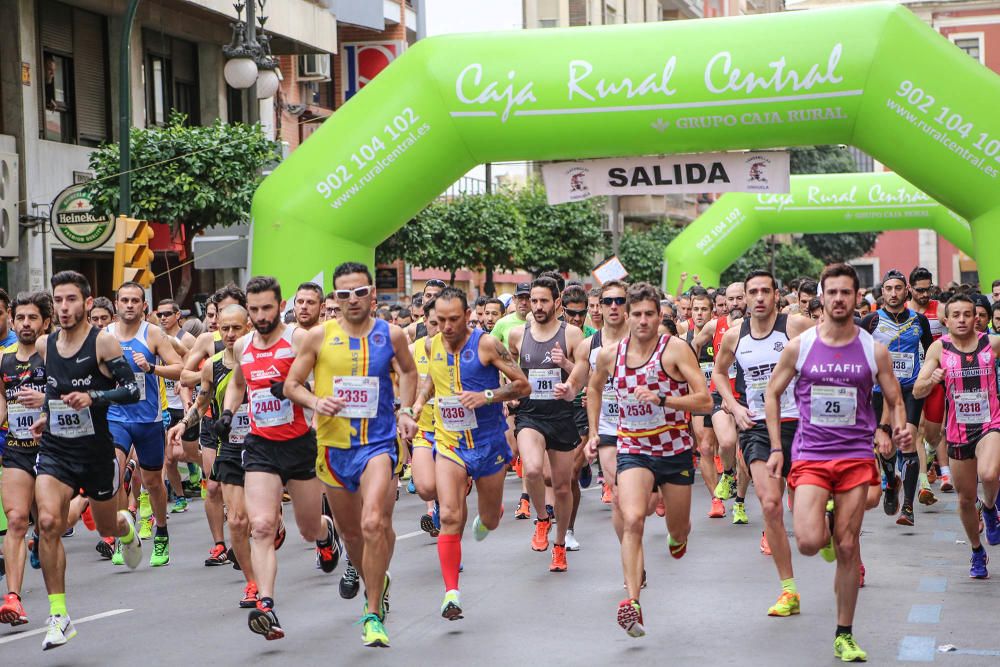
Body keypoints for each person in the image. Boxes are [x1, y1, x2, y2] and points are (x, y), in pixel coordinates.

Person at [765, 263, 911, 663]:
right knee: (811, 543)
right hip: (811, 455)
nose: (839, 299)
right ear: (822, 297)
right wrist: (777, 447)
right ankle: (826, 524)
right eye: (832, 293)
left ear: (856, 296)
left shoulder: (872, 348)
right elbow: (773, 394)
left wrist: (896, 429)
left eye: (846, 292)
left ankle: (844, 633)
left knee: (847, 547)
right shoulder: (801, 346)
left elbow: (895, 398)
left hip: (855, 456)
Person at [283, 262, 418, 648]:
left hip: (378, 445)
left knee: (375, 522)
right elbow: (291, 384)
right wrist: (315, 400)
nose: (353, 300)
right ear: (334, 299)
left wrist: (406, 411)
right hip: (333, 449)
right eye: (344, 294)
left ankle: (372, 611)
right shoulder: (317, 338)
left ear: (372, 294)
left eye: (360, 292)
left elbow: (409, 373)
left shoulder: (391, 335)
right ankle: (377, 579)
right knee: (354, 535)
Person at [584, 282, 711, 637]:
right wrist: (595, 432)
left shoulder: (676, 351)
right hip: (633, 449)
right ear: (627, 314)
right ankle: (633, 602)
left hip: (673, 452)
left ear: (660, 316)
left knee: (678, 528)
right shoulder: (611, 354)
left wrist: (664, 400)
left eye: (649, 314)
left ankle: (678, 538)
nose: (642, 320)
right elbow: (594, 388)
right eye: (636, 313)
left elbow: (703, 401)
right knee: (632, 518)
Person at [218, 276, 339, 641]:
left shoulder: (299, 339)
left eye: (267, 308)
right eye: (253, 310)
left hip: (300, 443)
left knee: (305, 528)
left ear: (280, 303)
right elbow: (239, 383)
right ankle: (266, 604)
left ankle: (325, 532)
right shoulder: (242, 346)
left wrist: (292, 389)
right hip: (260, 446)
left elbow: (321, 382)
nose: (260, 316)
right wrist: (227, 411)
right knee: (261, 527)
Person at [29, 271, 145, 650]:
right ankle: (59, 615)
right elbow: (58, 393)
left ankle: (125, 527)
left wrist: (95, 398)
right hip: (56, 450)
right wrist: (47, 414)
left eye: (71, 300)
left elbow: (132, 389)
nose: (64, 307)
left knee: (105, 528)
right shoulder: (46, 345)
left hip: (96, 452)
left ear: (87, 302)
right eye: (58, 300)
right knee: (47, 522)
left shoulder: (103, 342)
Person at [412, 287, 530, 620]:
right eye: (440, 320)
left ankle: (489, 516)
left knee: (489, 519)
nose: (446, 327)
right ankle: (451, 593)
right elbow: (430, 381)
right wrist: (419, 403)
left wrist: (487, 395)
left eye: (453, 320)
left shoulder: (487, 344)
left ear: (467, 316)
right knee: (449, 517)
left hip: (488, 443)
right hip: (450, 443)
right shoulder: (434, 343)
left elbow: (523, 385)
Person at [712, 270, 814, 616]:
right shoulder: (732, 336)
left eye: (764, 292)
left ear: (775, 295)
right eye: (752, 291)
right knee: (770, 504)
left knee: (806, 512)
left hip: (800, 422)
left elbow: (827, 354)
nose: (757, 298)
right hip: (756, 426)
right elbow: (719, 372)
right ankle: (789, 591)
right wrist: (734, 405)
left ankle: (830, 532)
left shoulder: (796, 327)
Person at [167, 304, 259, 607]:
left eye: (237, 328)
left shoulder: (261, 359)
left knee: (264, 522)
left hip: (264, 449)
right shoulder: (212, 366)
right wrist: (183, 424)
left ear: (248, 327)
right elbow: (202, 405)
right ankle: (252, 584)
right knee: (237, 521)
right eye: (225, 328)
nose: (230, 334)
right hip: (230, 448)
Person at [914, 294, 1000, 579]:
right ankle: (977, 551)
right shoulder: (939, 349)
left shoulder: (991, 343)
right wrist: (932, 379)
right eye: (957, 315)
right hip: (959, 430)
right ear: (946, 320)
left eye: (968, 314)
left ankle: (989, 508)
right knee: (965, 500)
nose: (963, 319)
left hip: (990, 424)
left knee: (988, 475)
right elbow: (917, 389)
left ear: (976, 318)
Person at [508, 277, 585, 572]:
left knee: (563, 487)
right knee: (532, 469)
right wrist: (511, 395)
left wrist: (566, 372)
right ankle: (542, 518)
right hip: (530, 415)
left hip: (561, 416)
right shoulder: (518, 334)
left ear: (557, 302)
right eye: (534, 301)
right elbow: (511, 370)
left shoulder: (572, 335)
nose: (538, 306)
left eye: (543, 301)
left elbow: (585, 375)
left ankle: (560, 544)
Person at [105, 282, 183, 565]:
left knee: (153, 482)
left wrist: (152, 368)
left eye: (134, 300)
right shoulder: (105, 335)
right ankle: (122, 533)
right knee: (114, 473)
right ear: (116, 304)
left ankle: (161, 531)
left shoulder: (153, 334)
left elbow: (179, 369)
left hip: (148, 420)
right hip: (115, 417)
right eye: (124, 300)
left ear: (143, 305)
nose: (129, 305)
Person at [861, 270, 934, 526]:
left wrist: (929, 378)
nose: (893, 293)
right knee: (887, 447)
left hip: (911, 390)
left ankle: (908, 507)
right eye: (889, 288)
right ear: (882, 292)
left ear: (907, 291)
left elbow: (930, 352)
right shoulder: (870, 321)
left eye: (898, 288)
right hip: (880, 392)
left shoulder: (919, 321)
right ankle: (891, 480)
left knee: (908, 441)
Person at [0, 292, 51, 627]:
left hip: (53, 450)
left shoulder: (54, 356)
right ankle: (13, 599)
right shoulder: (3, 361)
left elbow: (73, 395)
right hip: (17, 448)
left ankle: (83, 509)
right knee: (17, 519)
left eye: (33, 318)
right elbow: (2, 405)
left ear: (45, 322)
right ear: (12, 321)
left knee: (49, 523)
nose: (26, 324)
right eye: (20, 318)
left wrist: (45, 400)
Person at [908, 267, 948, 498]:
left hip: (936, 379)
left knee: (934, 434)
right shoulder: (904, 313)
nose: (924, 294)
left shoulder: (940, 310)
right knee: (918, 430)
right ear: (910, 289)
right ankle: (923, 484)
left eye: (928, 289)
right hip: (913, 379)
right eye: (920, 290)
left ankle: (931, 453)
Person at [491, 282, 530, 348]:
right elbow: (489, 347)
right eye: (520, 297)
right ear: (514, 299)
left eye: (528, 298)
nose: (524, 302)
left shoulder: (539, 322)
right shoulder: (502, 323)